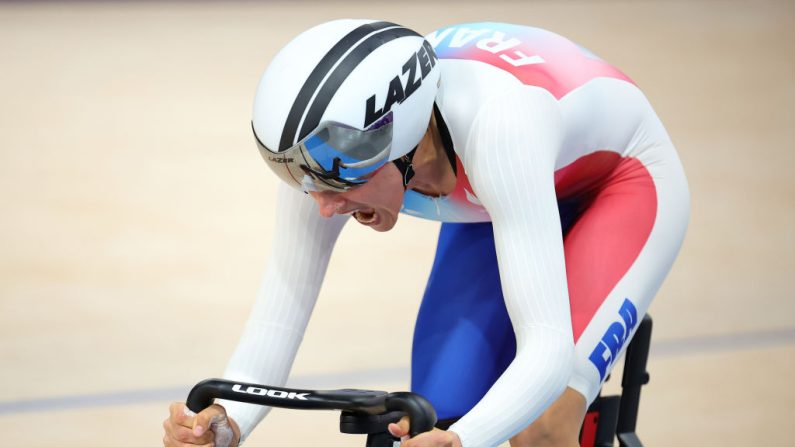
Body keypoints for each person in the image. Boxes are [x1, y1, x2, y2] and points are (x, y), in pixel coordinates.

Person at [163, 20, 689, 447]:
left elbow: (547, 350)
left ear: (406, 141)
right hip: (500, 198)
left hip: (620, 180)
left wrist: (466, 440)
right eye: (305, 182)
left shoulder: (498, 133)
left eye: (340, 182)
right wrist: (228, 422)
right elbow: (281, 313)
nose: (324, 207)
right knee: (428, 418)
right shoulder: (321, 155)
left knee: (539, 428)